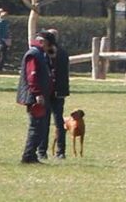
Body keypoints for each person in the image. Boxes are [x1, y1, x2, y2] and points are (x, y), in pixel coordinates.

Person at [17, 30, 55, 164]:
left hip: (41, 95)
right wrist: (38, 93)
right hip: (35, 97)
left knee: (41, 127)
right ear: (43, 42)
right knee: (36, 126)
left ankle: (31, 155)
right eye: (48, 45)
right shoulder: (34, 54)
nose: (48, 49)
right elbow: (32, 77)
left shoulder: (40, 54)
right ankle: (28, 156)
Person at [39, 28, 70, 160]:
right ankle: (60, 151)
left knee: (45, 122)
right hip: (60, 91)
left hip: (49, 91)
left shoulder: (47, 53)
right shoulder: (63, 52)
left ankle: (42, 151)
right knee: (59, 122)